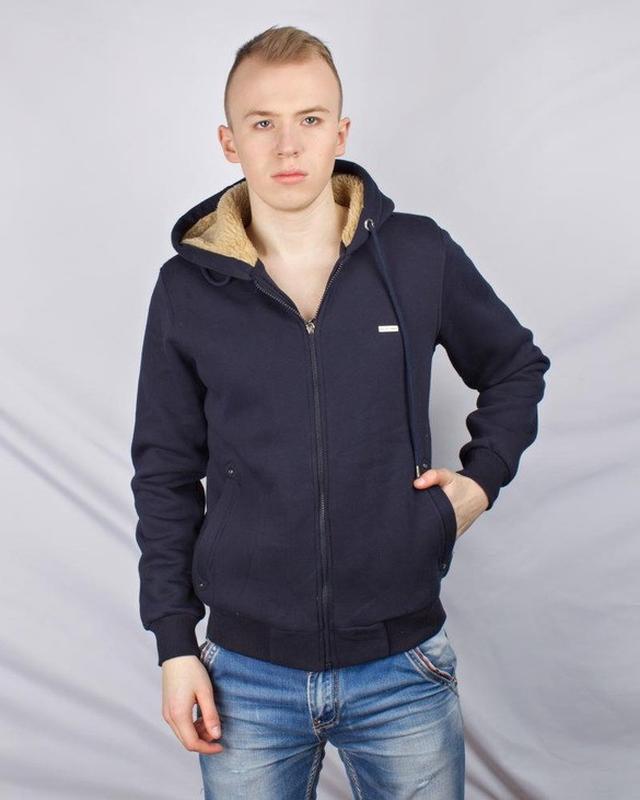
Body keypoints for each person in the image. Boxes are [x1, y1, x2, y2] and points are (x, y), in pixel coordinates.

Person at [129, 24, 551, 800]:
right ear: (229, 141)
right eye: (263, 122)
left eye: (310, 119)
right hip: (245, 676)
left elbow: (515, 366)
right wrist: (174, 644)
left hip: (403, 668)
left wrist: (480, 481)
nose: (288, 145)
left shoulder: (417, 255)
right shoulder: (186, 291)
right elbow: (163, 473)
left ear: (341, 132)